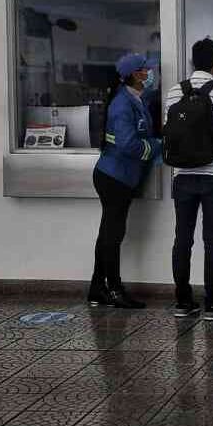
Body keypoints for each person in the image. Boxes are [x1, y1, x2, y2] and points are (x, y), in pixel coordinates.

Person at [164, 37, 213, 320]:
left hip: (182, 177)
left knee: (182, 239)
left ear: (192, 62)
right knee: (212, 240)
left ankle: (183, 302)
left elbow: (170, 131)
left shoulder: (175, 92)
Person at [89, 53, 161, 309]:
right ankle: (114, 289)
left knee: (108, 235)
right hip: (114, 178)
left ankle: (97, 289)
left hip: (119, 176)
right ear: (134, 75)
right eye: (145, 70)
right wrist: (157, 146)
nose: (150, 73)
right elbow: (128, 144)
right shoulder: (122, 105)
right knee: (112, 236)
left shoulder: (134, 98)